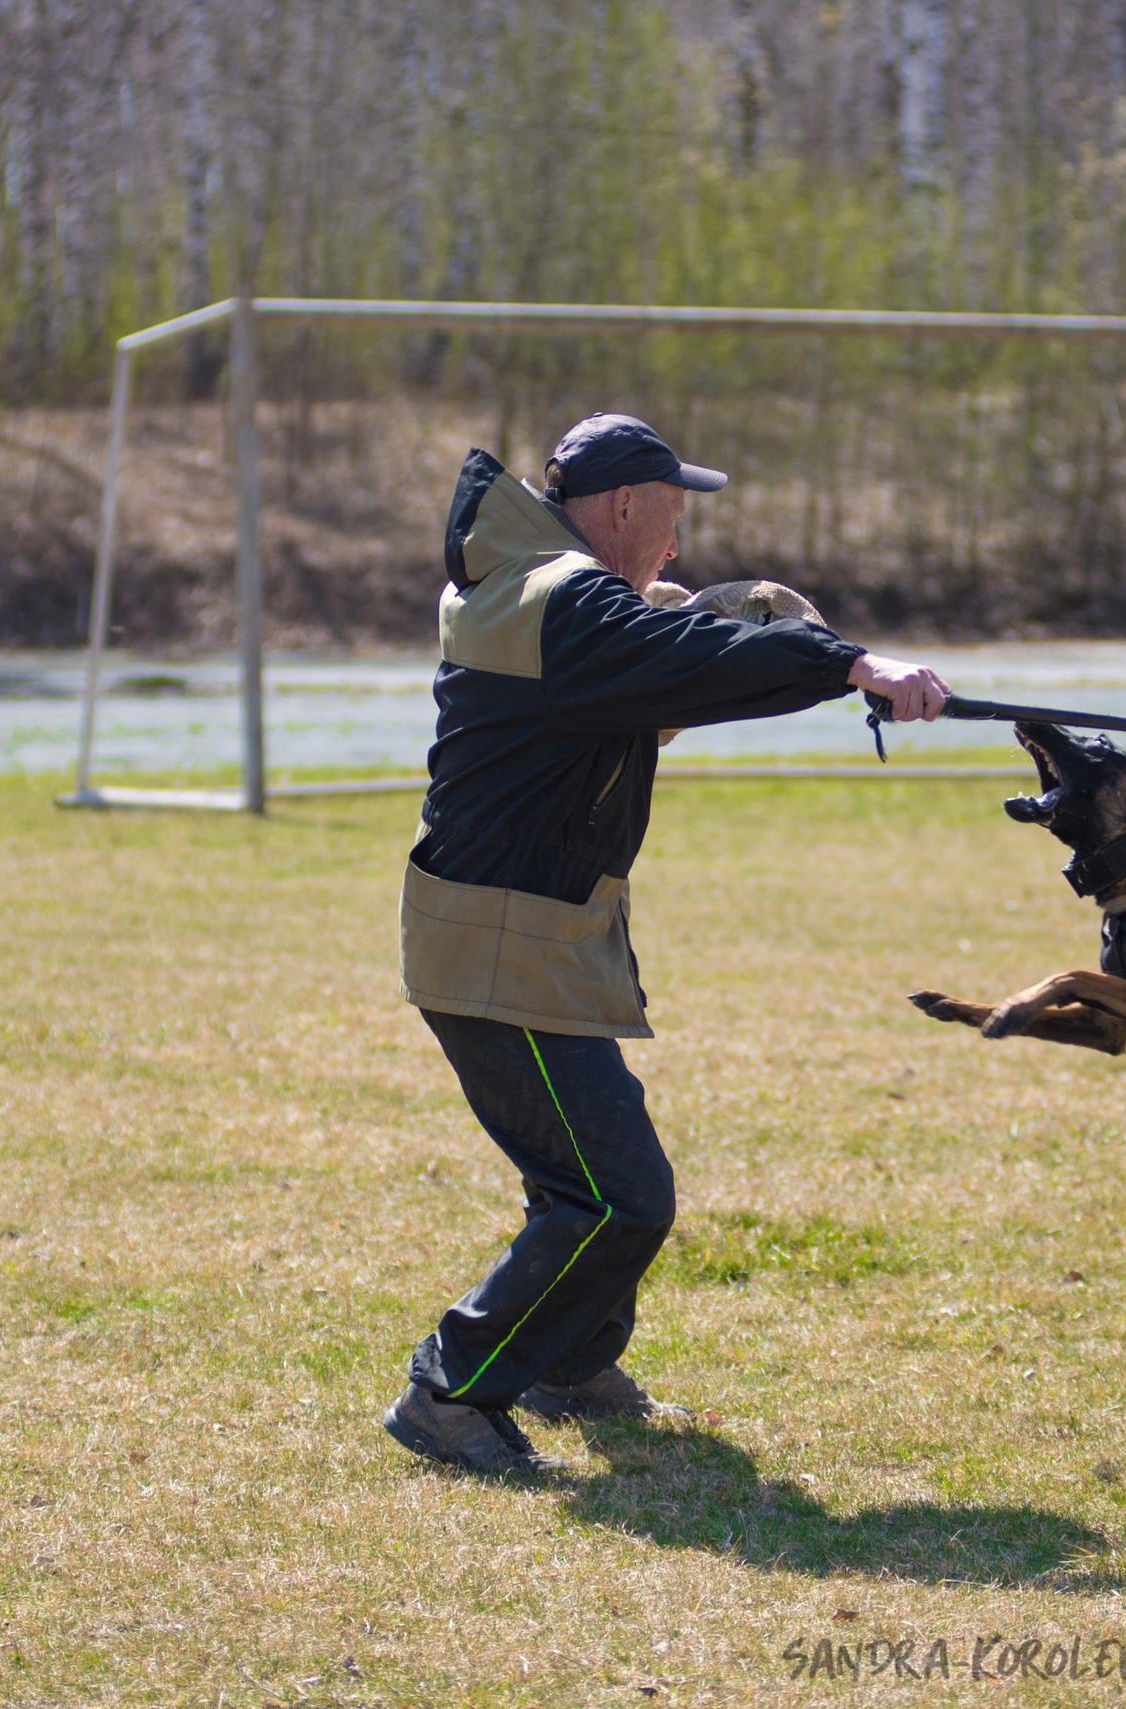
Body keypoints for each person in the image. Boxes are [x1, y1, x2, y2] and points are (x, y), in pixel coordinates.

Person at [382, 413, 950, 1476]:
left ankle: (568, 1363)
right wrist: (851, 662)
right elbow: (678, 655)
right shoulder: (562, 598)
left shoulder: (527, 585)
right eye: (672, 519)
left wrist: (763, 657)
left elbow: (639, 682)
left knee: (581, 1172)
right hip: (502, 949)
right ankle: (451, 1388)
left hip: (521, 933)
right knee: (617, 1194)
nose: (678, 549)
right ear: (626, 506)